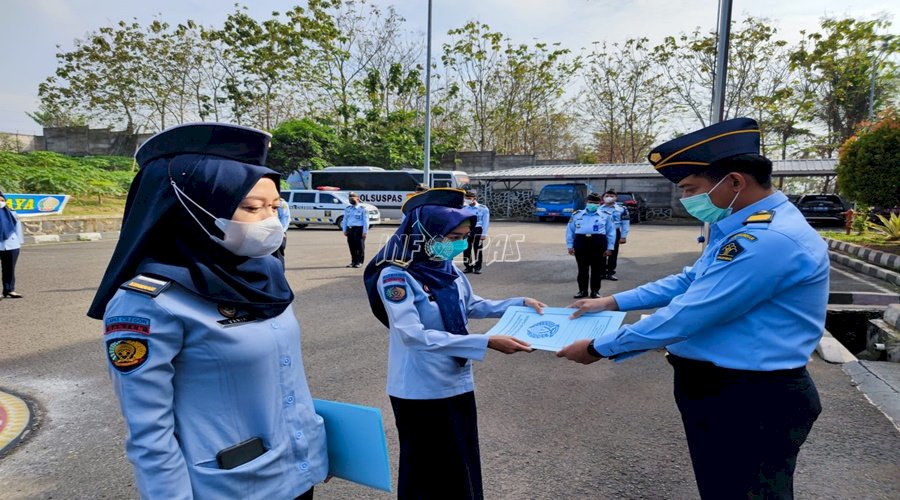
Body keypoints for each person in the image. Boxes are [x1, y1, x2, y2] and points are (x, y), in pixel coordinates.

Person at [557, 117, 828, 499]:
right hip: (729, 390)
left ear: (735, 182)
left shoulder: (767, 239)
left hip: (749, 398)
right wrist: (612, 300)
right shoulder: (743, 227)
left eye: (692, 188)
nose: (686, 199)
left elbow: (690, 313)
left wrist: (598, 347)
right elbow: (688, 281)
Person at [87, 123, 328, 500]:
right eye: (251, 207)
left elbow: (286, 379)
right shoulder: (148, 303)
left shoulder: (264, 275)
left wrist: (311, 449)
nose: (269, 220)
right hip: (231, 486)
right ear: (192, 207)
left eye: (275, 207)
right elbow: (150, 434)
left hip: (296, 473)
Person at [363, 188, 545, 500]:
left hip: (457, 382)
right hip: (419, 389)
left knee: (460, 461)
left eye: (463, 235)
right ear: (423, 233)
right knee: (427, 469)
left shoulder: (449, 270)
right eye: (451, 236)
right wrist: (485, 342)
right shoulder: (395, 276)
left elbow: (473, 305)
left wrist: (518, 303)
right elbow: (412, 334)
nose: (459, 243)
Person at [565, 192, 615, 299]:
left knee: (597, 269)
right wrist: (570, 245)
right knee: (582, 268)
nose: (593, 204)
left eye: (596, 203)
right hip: (581, 242)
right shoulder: (576, 214)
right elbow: (570, 231)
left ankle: (595, 291)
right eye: (591, 202)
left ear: (599, 203)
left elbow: (611, 232)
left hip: (598, 242)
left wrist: (610, 248)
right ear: (586, 202)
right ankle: (582, 291)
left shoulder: (606, 215)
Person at [598, 189, 630, 281]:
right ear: (603, 198)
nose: (609, 198)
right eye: (607, 196)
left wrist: (623, 236)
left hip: (615, 232)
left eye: (612, 196)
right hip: (602, 233)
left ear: (616, 198)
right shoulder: (598, 208)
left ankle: (610, 273)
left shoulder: (622, 209)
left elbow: (625, 223)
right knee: (601, 252)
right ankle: (602, 272)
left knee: (613, 252)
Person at [0, 190, 25, 299]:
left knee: (9, 268)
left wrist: (19, 242)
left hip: (11, 244)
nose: (1, 201)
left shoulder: (11, 211)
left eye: (2, 199)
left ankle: (9, 290)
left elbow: (17, 227)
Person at [462, 190, 490, 274]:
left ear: (475, 198)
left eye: (469, 198)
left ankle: (477, 267)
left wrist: (484, 234)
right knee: (466, 249)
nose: (467, 200)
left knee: (477, 249)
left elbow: (485, 222)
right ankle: (468, 267)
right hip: (467, 230)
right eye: (466, 198)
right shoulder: (464, 208)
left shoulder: (483, 208)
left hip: (478, 230)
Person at [342, 191, 369, 268]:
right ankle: (353, 261)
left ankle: (360, 262)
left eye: (352, 197)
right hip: (350, 229)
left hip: (359, 229)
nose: (350, 199)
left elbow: (366, 221)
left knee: (360, 246)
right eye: (349, 198)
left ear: (357, 198)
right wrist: (344, 230)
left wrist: (365, 231)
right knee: (352, 246)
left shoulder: (362, 209)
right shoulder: (348, 209)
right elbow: (345, 220)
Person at [275, 196, 291, 265]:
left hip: (278, 233)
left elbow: (285, 218)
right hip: (267, 233)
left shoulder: (282, 203)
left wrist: (281, 231)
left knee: (278, 255)